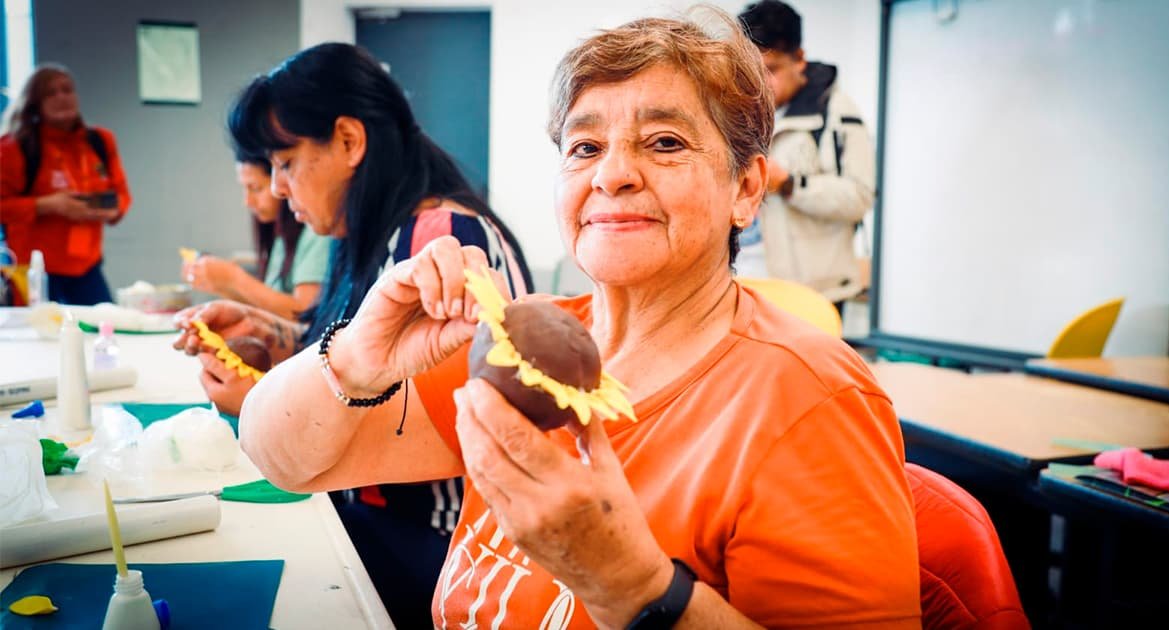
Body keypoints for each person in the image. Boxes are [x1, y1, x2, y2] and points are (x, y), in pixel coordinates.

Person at [234, 14, 920, 628]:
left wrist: (633, 585)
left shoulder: (810, 401)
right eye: (585, 148)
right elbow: (282, 458)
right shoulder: (527, 346)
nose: (612, 174)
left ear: (745, 190)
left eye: (665, 142)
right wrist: (358, 353)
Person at [170, 43, 532, 625]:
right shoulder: (371, 229)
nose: (280, 190)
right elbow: (371, 361)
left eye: (285, 163)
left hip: (432, 544)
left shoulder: (439, 240)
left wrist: (263, 402)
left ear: (348, 141)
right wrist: (272, 335)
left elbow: (430, 424)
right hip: (375, 517)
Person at [736, 0, 875, 308]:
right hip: (743, 284)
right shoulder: (737, 112)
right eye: (750, 71)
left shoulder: (838, 114)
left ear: (799, 59)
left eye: (771, 70)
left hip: (811, 293)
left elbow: (860, 197)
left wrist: (788, 183)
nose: (759, 84)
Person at [0, 63, 131, 305]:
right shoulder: (15, 147)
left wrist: (112, 209)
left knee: (103, 329)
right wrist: (47, 205)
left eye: (67, 89)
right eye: (50, 93)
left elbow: (122, 195)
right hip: (35, 270)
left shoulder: (99, 141)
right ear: (34, 102)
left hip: (87, 266)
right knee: (37, 338)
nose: (61, 97)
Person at [180, 150, 331, 321]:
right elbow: (267, 310)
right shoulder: (282, 235)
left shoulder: (316, 231)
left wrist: (233, 277)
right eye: (245, 189)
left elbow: (305, 313)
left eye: (256, 188)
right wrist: (220, 284)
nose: (247, 201)